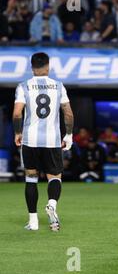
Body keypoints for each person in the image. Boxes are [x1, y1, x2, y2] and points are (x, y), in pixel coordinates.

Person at [12, 52, 74, 231]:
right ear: (48, 66)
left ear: (32, 67)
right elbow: (68, 113)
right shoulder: (59, 86)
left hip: (30, 140)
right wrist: (68, 135)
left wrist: (17, 132)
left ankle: (33, 222)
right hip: (52, 141)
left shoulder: (23, 86)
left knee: (31, 178)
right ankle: (52, 205)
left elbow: (17, 113)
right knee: (54, 177)